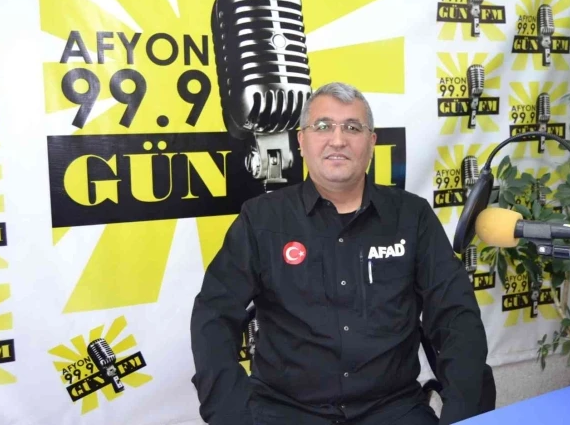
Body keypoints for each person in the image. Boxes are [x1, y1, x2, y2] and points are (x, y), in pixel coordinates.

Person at [190, 82, 489, 425]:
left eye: (352, 127)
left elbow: (456, 316)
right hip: (284, 410)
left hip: (392, 409)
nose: (337, 139)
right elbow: (213, 314)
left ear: (371, 142)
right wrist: (232, 414)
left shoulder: (412, 217)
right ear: (301, 141)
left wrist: (462, 414)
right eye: (322, 126)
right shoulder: (261, 219)